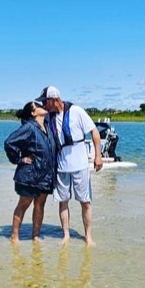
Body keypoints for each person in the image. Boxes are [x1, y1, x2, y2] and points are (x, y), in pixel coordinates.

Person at [35, 85, 103, 245]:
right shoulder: (48, 117)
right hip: (61, 166)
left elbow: (94, 132)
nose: (44, 105)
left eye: (45, 101)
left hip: (80, 165)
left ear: (53, 100)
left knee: (85, 201)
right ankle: (66, 235)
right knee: (62, 201)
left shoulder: (77, 111)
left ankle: (88, 236)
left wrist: (98, 156)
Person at [4, 100, 57, 243]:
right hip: (30, 175)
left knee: (40, 205)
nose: (42, 107)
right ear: (33, 112)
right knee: (24, 204)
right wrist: (20, 160)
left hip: (45, 175)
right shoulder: (29, 127)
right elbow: (9, 142)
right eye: (39, 106)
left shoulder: (46, 126)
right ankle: (14, 236)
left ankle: (36, 236)